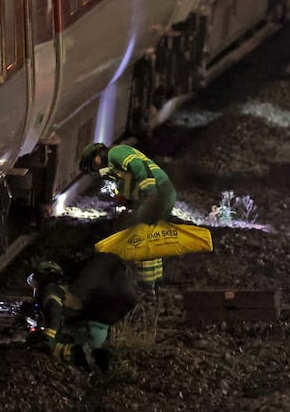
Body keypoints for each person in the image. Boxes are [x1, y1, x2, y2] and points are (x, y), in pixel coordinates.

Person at [79, 142, 176, 291]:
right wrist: (127, 200)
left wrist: (150, 192)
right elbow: (129, 185)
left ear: (98, 155)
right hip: (162, 192)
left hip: (157, 192)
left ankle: (146, 286)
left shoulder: (116, 153)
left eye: (94, 165)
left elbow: (138, 167)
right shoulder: (114, 170)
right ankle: (155, 281)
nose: (97, 170)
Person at [24, 252, 139, 372]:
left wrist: (49, 336)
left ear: (43, 278)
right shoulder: (63, 290)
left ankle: (90, 359)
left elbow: (54, 310)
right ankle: (95, 361)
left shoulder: (50, 291)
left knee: (49, 345)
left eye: (36, 279)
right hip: (95, 330)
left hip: (86, 330)